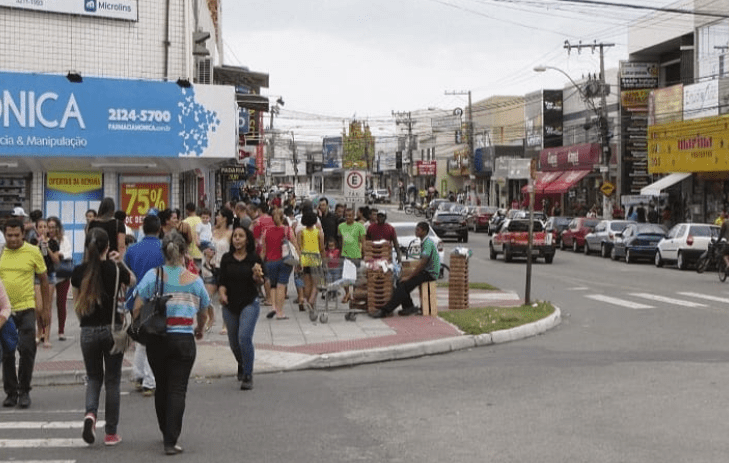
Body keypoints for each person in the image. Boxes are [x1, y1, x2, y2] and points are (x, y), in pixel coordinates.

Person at [133, 231, 209, 455]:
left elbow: (137, 306)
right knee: (178, 389)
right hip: (184, 339)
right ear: (185, 252)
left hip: (158, 339)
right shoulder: (194, 281)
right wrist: (200, 329)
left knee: (162, 386)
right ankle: (171, 438)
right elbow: (204, 310)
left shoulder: (152, 276)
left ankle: (164, 429)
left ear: (163, 252)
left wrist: (140, 325)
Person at [72, 227, 135, 446]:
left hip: (87, 331)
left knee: (94, 377)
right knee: (113, 381)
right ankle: (110, 433)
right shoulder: (115, 270)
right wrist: (120, 261)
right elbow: (134, 281)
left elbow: (77, 304)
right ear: (108, 247)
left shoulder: (79, 272)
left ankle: (90, 415)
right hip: (112, 329)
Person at [0, 218, 50, 408]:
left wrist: (45, 308)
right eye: (9, 235)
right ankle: (11, 393)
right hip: (5, 312)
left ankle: (24, 391)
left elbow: (44, 280)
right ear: (5, 234)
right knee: (8, 352)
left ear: (23, 234)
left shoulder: (33, 251)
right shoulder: (1, 252)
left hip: (27, 307)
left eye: (16, 235)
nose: (12, 239)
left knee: (28, 349)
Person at [217, 226, 265, 391]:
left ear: (247, 239)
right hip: (229, 305)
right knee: (234, 343)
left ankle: (247, 375)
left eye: (241, 236)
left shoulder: (254, 259)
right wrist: (222, 294)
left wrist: (257, 277)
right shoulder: (226, 258)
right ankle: (242, 362)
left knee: (244, 337)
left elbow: (261, 282)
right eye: (235, 236)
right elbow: (221, 281)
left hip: (249, 302)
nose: (237, 238)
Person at [124, 214, 164, 397]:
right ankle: (149, 381)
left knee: (141, 339)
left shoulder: (132, 250)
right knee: (154, 341)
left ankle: (138, 376)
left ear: (143, 228)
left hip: (135, 300)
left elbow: (126, 275)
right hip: (157, 300)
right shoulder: (164, 248)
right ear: (159, 228)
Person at [370, 222, 440, 318]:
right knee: (400, 282)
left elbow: (422, 264)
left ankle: (385, 311)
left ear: (424, 231)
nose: (416, 231)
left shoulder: (427, 243)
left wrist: (409, 277)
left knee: (403, 285)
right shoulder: (424, 242)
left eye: (418, 230)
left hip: (430, 274)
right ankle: (408, 307)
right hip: (425, 272)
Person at [260, 208, 297, 320]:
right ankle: (280, 313)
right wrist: (299, 259)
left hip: (270, 262)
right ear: (283, 218)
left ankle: (273, 307)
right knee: (282, 286)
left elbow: (263, 251)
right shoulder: (287, 230)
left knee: (273, 285)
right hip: (284, 261)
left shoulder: (266, 232)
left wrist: (260, 263)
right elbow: (295, 245)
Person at [46, 217, 73, 342]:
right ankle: (44, 332)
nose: (50, 229)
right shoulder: (44, 239)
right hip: (48, 274)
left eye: (53, 227)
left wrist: (59, 253)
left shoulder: (64, 239)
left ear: (58, 227)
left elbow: (67, 254)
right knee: (46, 305)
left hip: (62, 274)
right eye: (48, 226)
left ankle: (61, 331)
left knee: (61, 303)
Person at [210, 209, 233, 334]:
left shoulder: (231, 234)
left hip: (225, 268)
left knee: (223, 297)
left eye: (219, 215)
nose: (217, 217)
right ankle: (210, 319)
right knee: (207, 296)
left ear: (225, 218)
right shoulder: (213, 231)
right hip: (210, 267)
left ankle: (225, 324)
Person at [338, 208, 366, 303]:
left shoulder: (359, 226)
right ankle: (347, 293)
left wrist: (364, 253)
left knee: (354, 277)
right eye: (346, 215)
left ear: (354, 216)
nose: (348, 217)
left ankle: (352, 294)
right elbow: (340, 240)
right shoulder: (341, 226)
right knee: (344, 277)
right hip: (344, 254)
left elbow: (363, 241)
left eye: (350, 215)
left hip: (356, 255)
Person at [298, 211, 324, 311]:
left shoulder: (301, 232)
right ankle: (311, 301)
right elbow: (321, 248)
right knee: (316, 283)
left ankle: (307, 301)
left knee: (307, 283)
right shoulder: (319, 232)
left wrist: (299, 261)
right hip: (315, 259)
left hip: (305, 260)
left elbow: (299, 248)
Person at [182, 202, 203, 270]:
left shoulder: (184, 222)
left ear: (187, 210)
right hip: (201, 253)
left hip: (189, 254)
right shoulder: (201, 221)